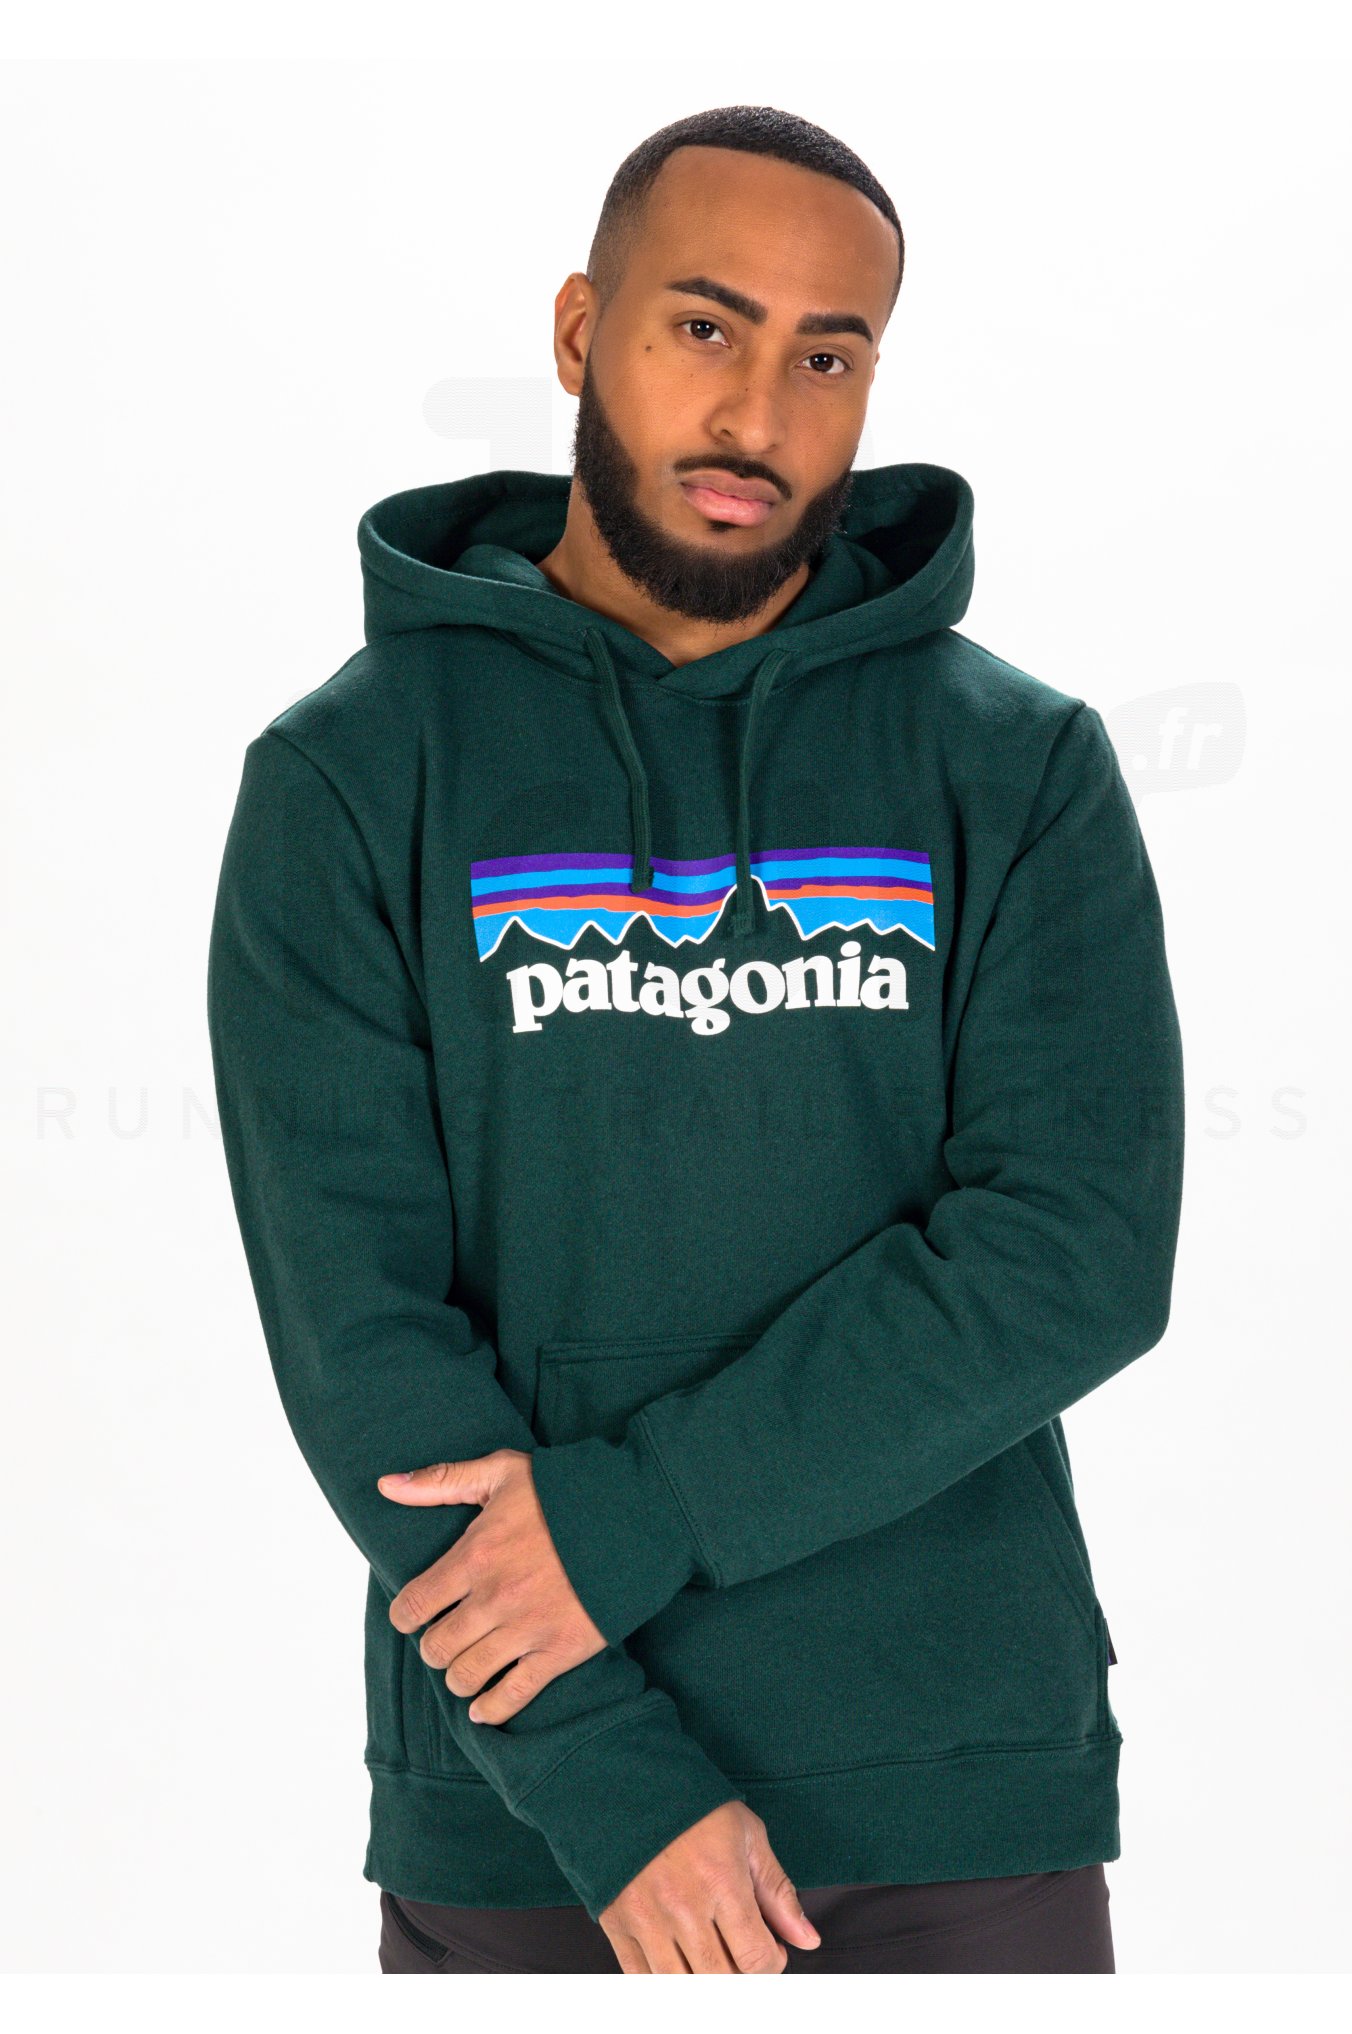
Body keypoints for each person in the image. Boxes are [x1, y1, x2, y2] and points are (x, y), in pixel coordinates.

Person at [206, 103, 1184, 1975]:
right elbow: (367, 1348)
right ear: (583, 332)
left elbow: (1077, 1253)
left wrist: (636, 1511)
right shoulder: (352, 778)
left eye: (829, 356)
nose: (758, 413)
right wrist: (613, 1784)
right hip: (533, 1827)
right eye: (707, 326)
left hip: (960, 1795)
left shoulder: (1019, 768)